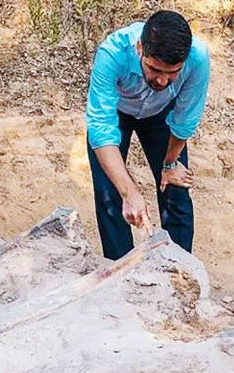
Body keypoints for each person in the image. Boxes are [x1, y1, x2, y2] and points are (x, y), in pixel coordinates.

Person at [86, 10, 210, 259]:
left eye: (172, 72)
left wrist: (170, 163)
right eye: (154, 69)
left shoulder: (198, 58)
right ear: (140, 48)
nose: (163, 81)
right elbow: (101, 128)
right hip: (118, 113)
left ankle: (181, 270)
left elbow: (184, 119)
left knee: (176, 189)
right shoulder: (112, 53)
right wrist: (129, 193)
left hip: (162, 115)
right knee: (111, 194)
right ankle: (120, 271)